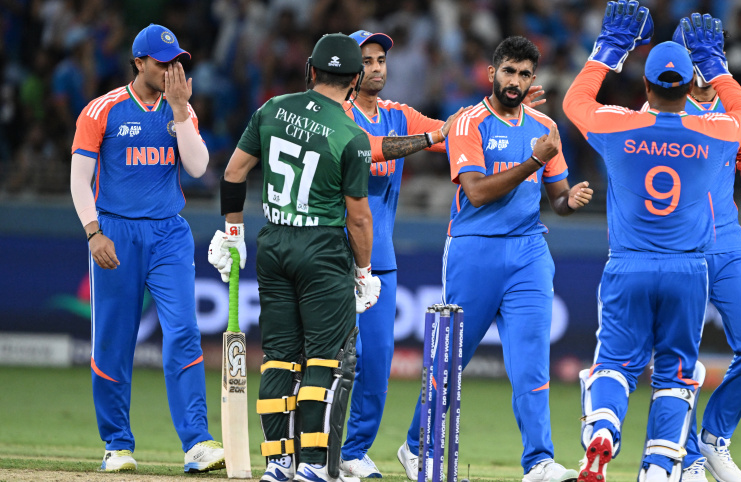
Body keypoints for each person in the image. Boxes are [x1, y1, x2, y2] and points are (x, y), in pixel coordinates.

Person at [563, 4, 741, 481]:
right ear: (688, 87)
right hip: (688, 270)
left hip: (628, 265)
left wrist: (609, 50)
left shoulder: (618, 126)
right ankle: (658, 469)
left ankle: (604, 430)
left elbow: (575, 102)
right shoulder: (712, 132)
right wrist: (715, 64)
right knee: (675, 376)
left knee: (614, 363)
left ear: (646, 87)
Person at [339, 30, 547, 479]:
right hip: (327, 254)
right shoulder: (335, 115)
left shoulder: (396, 113)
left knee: (375, 365)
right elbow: (369, 150)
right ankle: (302, 449)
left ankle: (353, 451)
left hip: (378, 260)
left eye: (380, 60)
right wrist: (433, 133)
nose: (376, 68)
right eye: (367, 60)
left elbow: (456, 128)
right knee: (319, 359)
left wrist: (514, 108)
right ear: (346, 67)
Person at [397, 35, 594, 482]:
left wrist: (569, 200)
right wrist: (530, 161)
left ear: (533, 79)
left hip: (529, 252)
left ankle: (539, 461)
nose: (516, 80)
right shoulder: (469, 123)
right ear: (492, 73)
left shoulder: (544, 126)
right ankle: (416, 446)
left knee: (531, 362)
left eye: (525, 74)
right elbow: (476, 192)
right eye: (509, 71)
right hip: (474, 248)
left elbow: (556, 197)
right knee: (450, 362)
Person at [206, 33, 380, 482]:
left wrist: (232, 232)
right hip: (322, 250)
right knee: (322, 361)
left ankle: (277, 464)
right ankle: (313, 466)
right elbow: (359, 219)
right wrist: (363, 272)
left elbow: (233, 173)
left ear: (311, 71)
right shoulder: (352, 135)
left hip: (274, 242)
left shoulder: (270, 110)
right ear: (355, 79)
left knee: (279, 357)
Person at [69, 24, 224, 473]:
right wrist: (94, 231)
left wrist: (179, 110)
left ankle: (196, 443)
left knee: (184, 331)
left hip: (168, 234)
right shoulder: (102, 110)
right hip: (115, 232)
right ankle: (117, 445)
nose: (171, 70)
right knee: (113, 341)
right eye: (161, 62)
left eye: (176, 62)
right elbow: (80, 179)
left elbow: (197, 167)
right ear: (138, 63)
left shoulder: (182, 109)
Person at [653, 21, 741, 482]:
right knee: (679, 357)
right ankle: (686, 458)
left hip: (728, 244)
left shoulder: (738, 110)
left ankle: (713, 439)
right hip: (677, 247)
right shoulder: (663, 107)